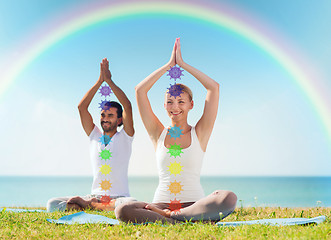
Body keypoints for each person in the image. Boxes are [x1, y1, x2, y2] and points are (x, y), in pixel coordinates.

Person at [115, 38, 237, 223]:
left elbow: (213, 87)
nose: (175, 107)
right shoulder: (158, 133)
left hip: (194, 205)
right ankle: (180, 221)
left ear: (191, 105)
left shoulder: (200, 133)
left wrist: (182, 64)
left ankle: (177, 218)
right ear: (164, 105)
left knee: (228, 197)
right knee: (123, 209)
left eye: (181, 102)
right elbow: (140, 90)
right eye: (170, 102)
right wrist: (169, 65)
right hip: (161, 205)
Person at [47, 58, 136, 212]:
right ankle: (94, 205)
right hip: (94, 195)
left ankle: (89, 207)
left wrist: (109, 81)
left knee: (130, 204)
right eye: (102, 115)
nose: (105, 118)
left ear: (120, 119)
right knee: (52, 203)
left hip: (119, 197)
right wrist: (99, 81)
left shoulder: (126, 136)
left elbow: (127, 105)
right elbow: (81, 107)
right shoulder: (94, 135)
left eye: (110, 115)